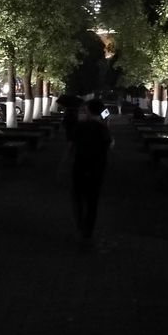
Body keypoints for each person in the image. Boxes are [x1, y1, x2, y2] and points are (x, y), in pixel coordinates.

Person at [68, 98, 113, 244]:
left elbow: (71, 147)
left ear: (88, 110)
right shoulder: (103, 128)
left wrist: (64, 164)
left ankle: (80, 224)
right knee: (92, 201)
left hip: (80, 167)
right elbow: (110, 145)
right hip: (97, 169)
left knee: (78, 197)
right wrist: (106, 124)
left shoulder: (80, 127)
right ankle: (88, 230)